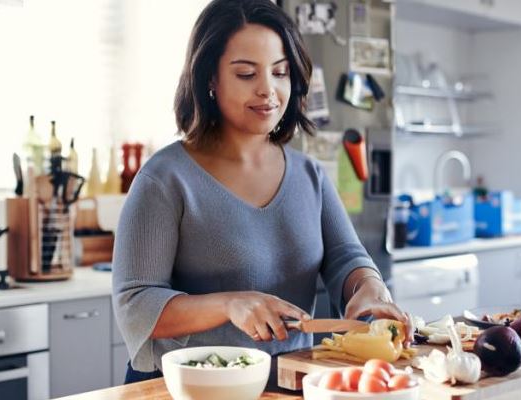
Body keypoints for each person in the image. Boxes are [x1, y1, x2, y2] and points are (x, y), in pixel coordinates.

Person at [112, 0, 410, 385]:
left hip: (285, 384)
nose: (268, 90)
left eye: (280, 72)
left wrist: (369, 290)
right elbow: (135, 304)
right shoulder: (164, 179)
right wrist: (230, 304)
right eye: (246, 74)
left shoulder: (309, 175)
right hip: (188, 389)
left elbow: (347, 259)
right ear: (210, 80)